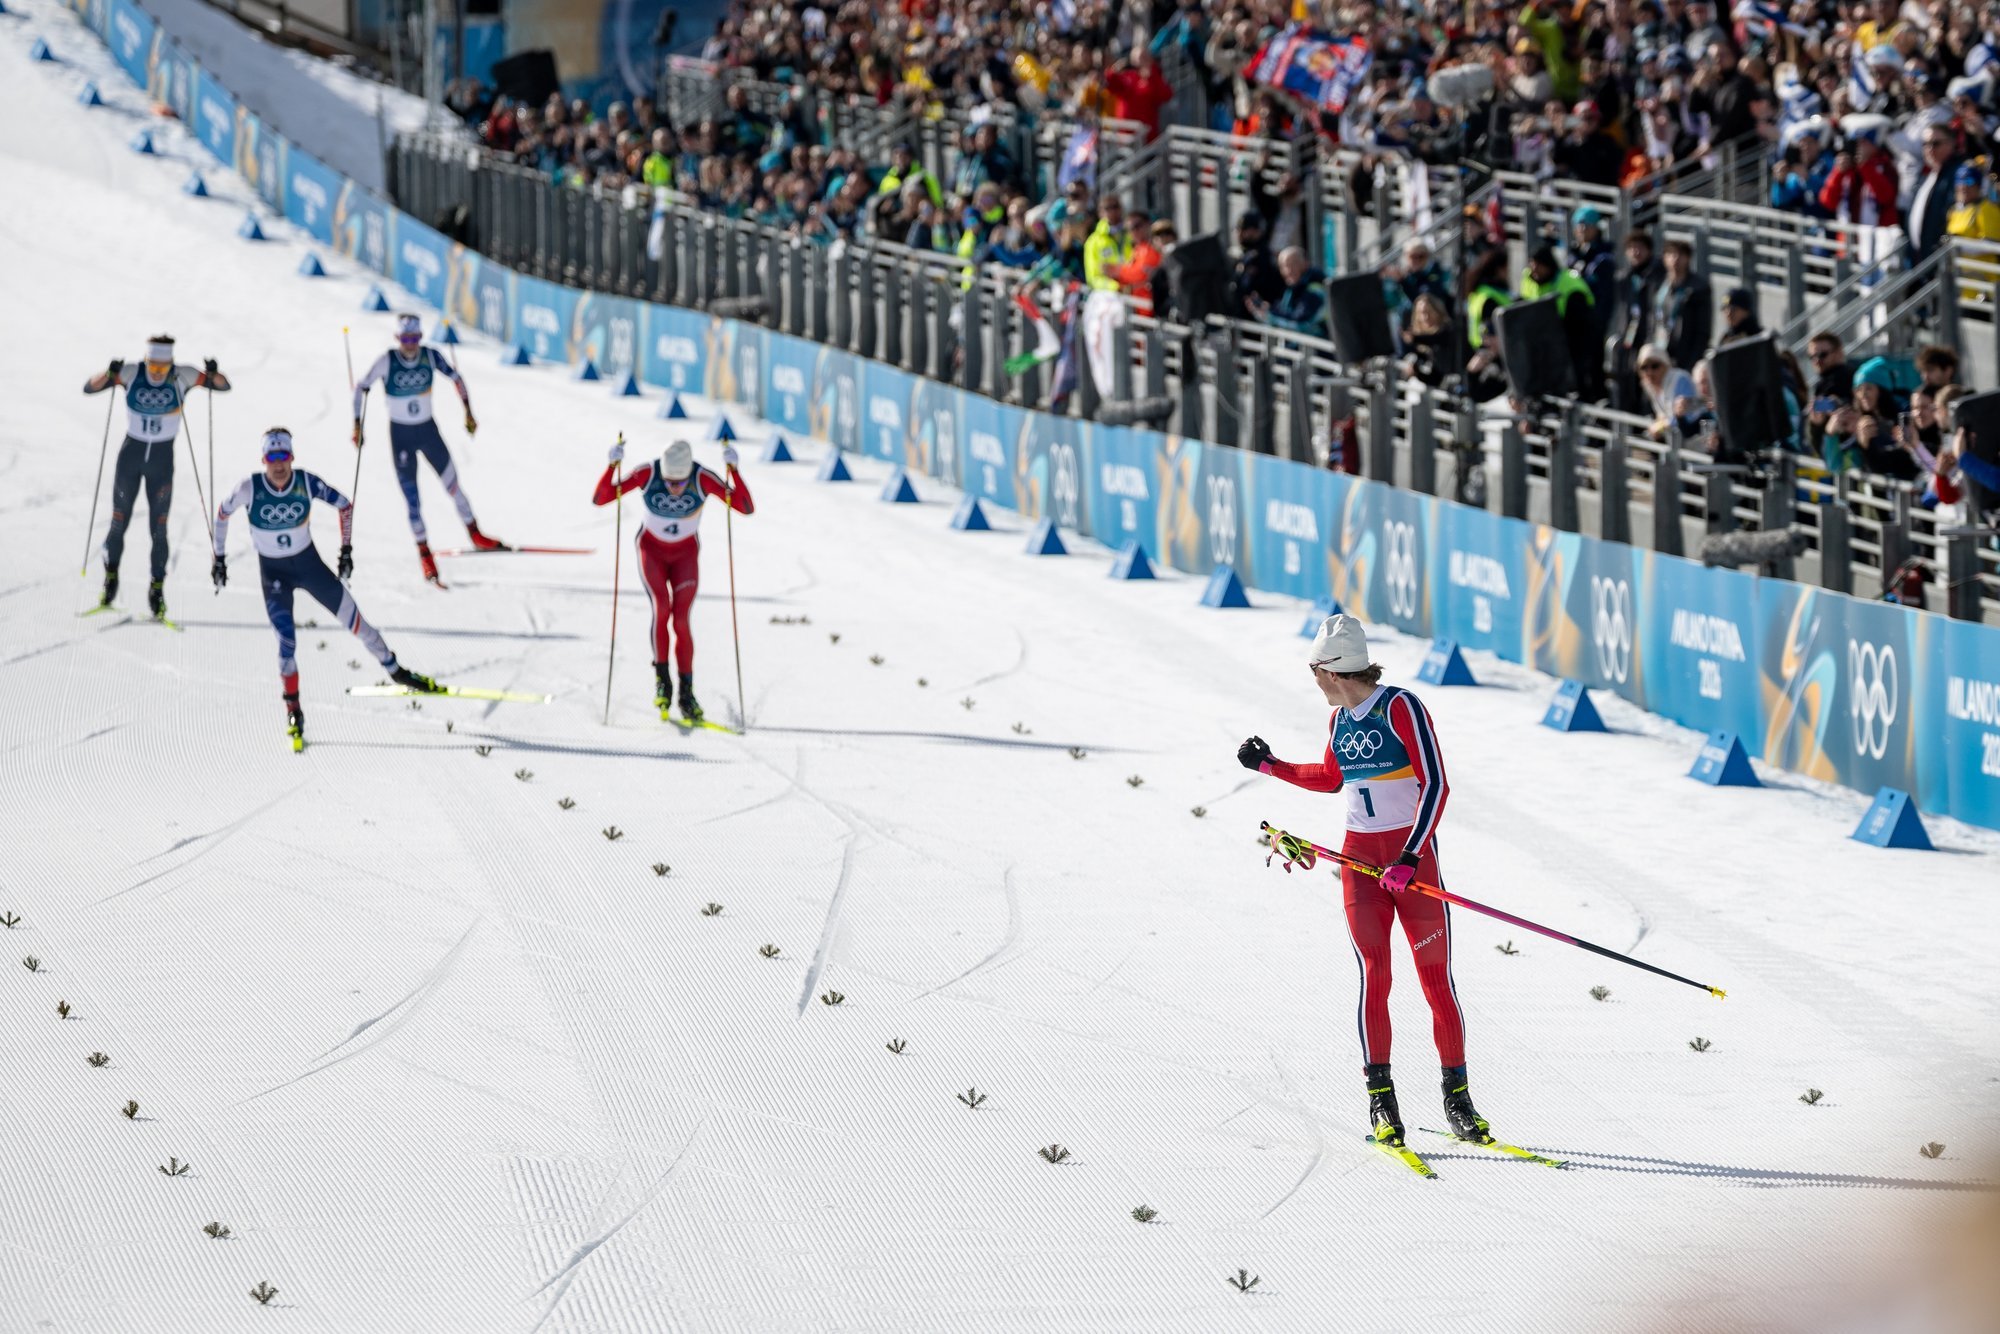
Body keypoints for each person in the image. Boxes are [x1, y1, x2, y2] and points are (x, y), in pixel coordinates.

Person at [1235, 614, 1487, 1150]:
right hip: (1360, 866)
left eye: (1313, 669)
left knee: (1434, 979)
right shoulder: (1338, 722)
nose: (1312, 679)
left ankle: (1458, 1099)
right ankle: (1382, 1099)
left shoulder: (1400, 707)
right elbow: (1331, 778)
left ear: (1332, 668)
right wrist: (1270, 765)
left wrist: (1412, 855)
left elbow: (1437, 784)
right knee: (1376, 974)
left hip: (1410, 866)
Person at [212, 427, 440, 749]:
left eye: (284, 456)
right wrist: (218, 558)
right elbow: (222, 514)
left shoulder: (306, 482)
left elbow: (344, 505)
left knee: (359, 623)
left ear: (292, 457)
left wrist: (346, 551)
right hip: (274, 575)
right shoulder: (249, 487)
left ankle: (396, 670)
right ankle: (293, 708)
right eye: (271, 457)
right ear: (263, 460)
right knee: (286, 641)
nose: (278, 465)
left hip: (309, 567)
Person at [591, 437, 753, 722]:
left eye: (678, 484)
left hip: (684, 556)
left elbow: (744, 507)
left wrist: (734, 471)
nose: (673, 489)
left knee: (681, 620)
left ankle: (686, 692)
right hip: (652, 551)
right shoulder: (648, 473)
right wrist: (611, 466)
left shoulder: (702, 478)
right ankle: (662, 681)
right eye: (668, 482)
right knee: (661, 608)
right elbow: (602, 498)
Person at [81, 335, 232, 620]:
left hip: (162, 461)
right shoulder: (131, 372)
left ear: (171, 362)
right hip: (131, 456)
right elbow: (90, 388)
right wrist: (109, 373)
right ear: (147, 360)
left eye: (163, 367)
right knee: (118, 521)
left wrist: (214, 372)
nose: (158, 372)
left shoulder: (182, 375)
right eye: (154, 366)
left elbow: (222, 386)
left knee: (159, 528)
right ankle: (110, 579)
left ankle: (157, 592)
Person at [352, 313, 506, 583]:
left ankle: (475, 533)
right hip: (401, 435)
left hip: (428, 431)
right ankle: (424, 553)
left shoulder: (431, 356)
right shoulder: (387, 360)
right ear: (397, 338)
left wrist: (468, 412)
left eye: (414, 338)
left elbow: (456, 378)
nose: (410, 344)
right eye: (405, 339)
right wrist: (357, 425)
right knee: (413, 501)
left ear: (421, 338)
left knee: (453, 485)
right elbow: (361, 387)